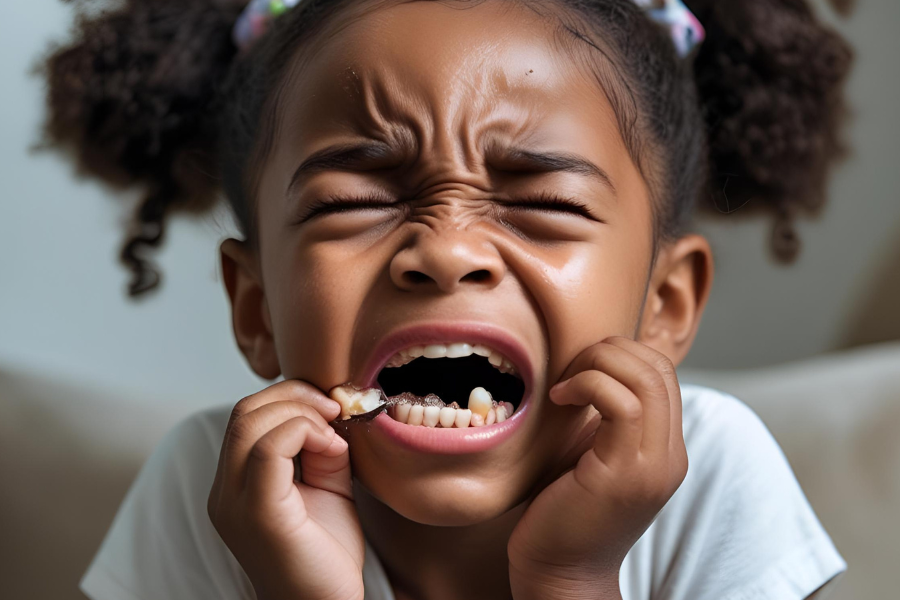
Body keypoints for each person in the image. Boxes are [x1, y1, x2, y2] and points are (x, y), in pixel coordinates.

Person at [40, 0, 855, 598]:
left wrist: (570, 579)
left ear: (665, 304)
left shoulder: (712, 481)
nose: (446, 250)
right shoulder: (215, 490)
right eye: (352, 202)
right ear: (255, 308)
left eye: (546, 204)